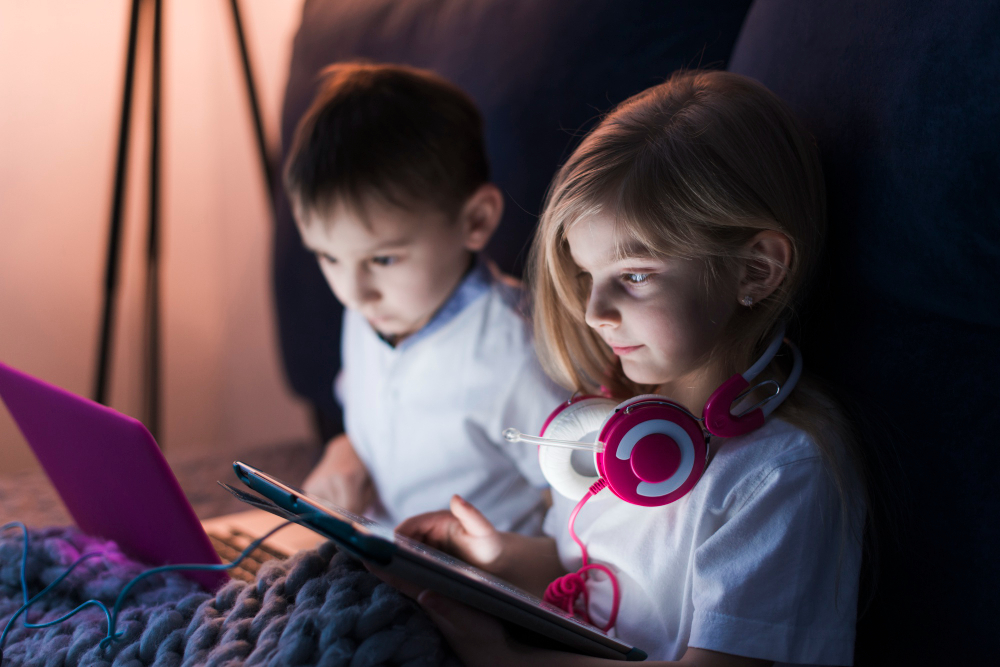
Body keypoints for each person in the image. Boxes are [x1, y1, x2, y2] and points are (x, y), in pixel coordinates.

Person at [396, 70, 867, 665]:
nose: (595, 312)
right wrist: (497, 558)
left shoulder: (779, 473)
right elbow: (595, 575)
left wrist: (511, 662)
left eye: (635, 276)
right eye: (588, 276)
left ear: (755, 271)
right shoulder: (622, 428)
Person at [283, 62, 567, 533]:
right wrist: (348, 449)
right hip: (379, 551)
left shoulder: (515, 353)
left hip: (477, 588)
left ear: (475, 221)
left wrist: (522, 568)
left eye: (384, 260)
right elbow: (371, 407)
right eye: (329, 258)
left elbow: (584, 501)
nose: (353, 293)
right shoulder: (375, 309)